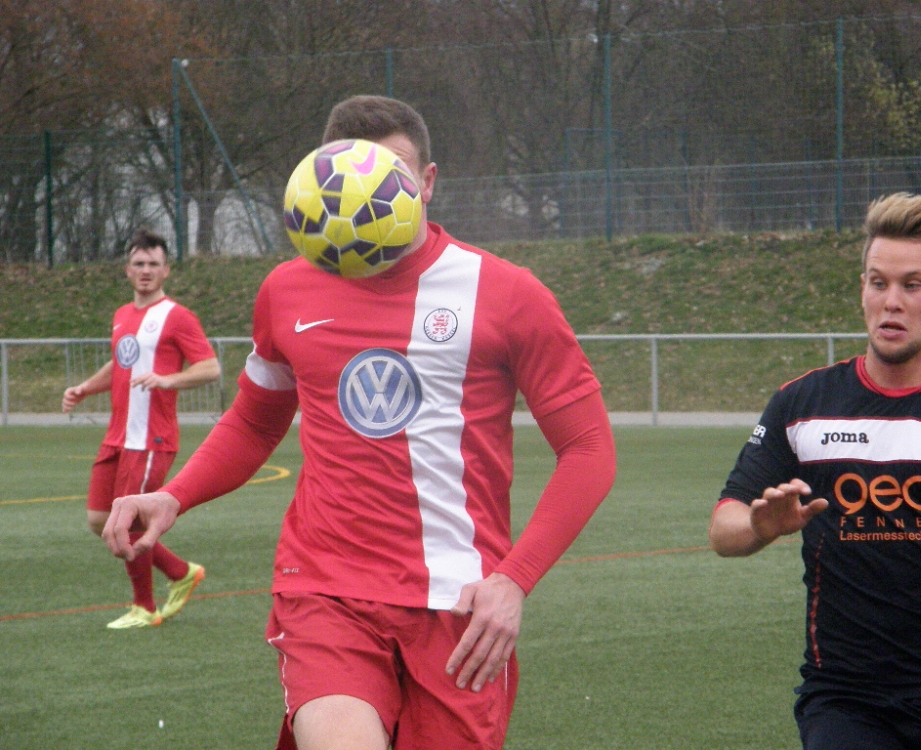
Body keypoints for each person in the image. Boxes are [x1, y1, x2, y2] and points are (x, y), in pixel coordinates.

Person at [101, 95, 617, 750]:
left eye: (391, 175)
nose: (365, 194)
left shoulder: (506, 293)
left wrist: (514, 580)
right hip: (325, 590)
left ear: (427, 182)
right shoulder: (286, 290)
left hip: (460, 606)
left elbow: (589, 447)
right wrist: (174, 495)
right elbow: (256, 423)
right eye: (347, 177)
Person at [709, 192, 921, 749]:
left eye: (912, 285)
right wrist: (760, 527)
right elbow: (724, 529)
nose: (892, 302)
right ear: (862, 288)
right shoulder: (802, 406)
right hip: (845, 697)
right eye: (878, 282)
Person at [63, 229, 220, 629]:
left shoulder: (177, 316)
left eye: (153, 264)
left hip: (151, 438)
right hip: (117, 436)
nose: (146, 270)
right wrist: (85, 388)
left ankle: (144, 608)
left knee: (129, 523)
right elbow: (121, 362)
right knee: (99, 519)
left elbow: (210, 367)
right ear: (127, 270)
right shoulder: (122, 315)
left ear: (166, 270)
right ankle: (181, 572)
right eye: (139, 263)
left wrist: (168, 379)